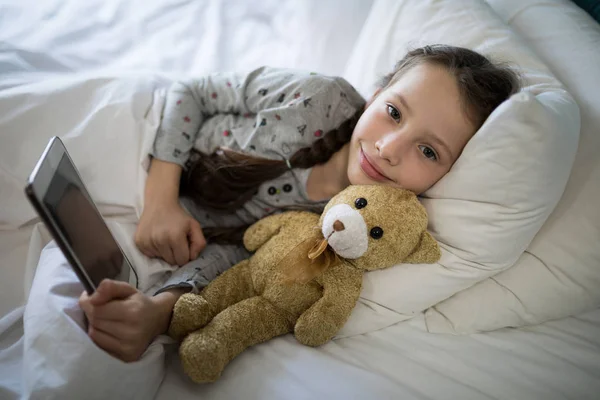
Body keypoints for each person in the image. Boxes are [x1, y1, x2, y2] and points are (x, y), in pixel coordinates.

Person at [78, 44, 520, 363]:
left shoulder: (348, 228)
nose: (389, 148)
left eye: (429, 152)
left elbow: (241, 260)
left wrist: (159, 309)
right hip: (159, 148)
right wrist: (160, 198)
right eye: (394, 112)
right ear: (376, 93)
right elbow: (192, 93)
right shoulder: (318, 100)